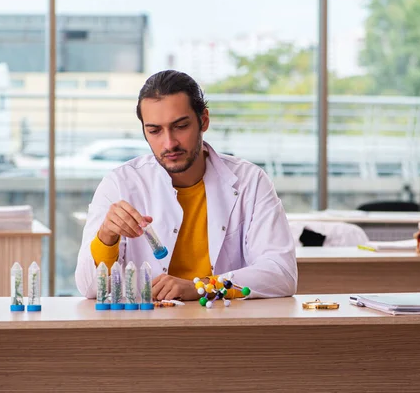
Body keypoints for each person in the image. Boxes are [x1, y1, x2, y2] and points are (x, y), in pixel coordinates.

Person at [75, 70, 297, 301]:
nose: (169, 143)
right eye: (154, 131)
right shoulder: (120, 184)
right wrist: (106, 235)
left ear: (204, 120)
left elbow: (281, 274)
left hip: (224, 326)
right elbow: (88, 287)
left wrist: (202, 287)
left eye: (180, 126)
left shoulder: (250, 181)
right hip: (146, 327)